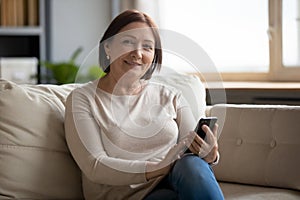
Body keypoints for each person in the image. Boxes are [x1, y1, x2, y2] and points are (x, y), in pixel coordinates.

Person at [64, 9, 224, 200]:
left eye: (147, 47)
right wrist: (157, 168)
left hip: (175, 180)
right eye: (127, 42)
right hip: (127, 195)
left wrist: (209, 155)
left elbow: (191, 151)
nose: (137, 53)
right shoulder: (82, 99)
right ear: (108, 47)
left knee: (192, 164)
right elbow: (95, 166)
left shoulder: (170, 96)